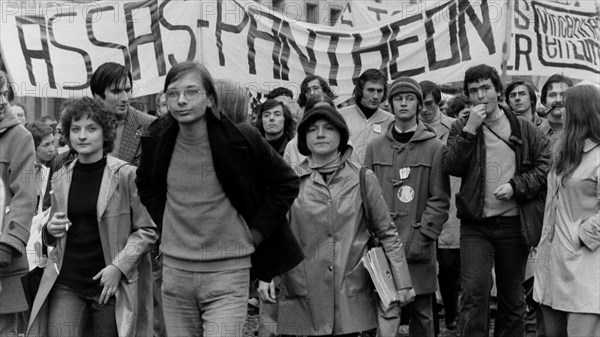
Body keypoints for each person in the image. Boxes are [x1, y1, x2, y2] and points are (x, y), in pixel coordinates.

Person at [135, 61, 303, 336]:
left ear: (210, 98)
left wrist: (256, 232)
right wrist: (165, 221)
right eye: (173, 93)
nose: (181, 100)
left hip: (228, 271)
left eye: (191, 92)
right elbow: (144, 185)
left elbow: (286, 183)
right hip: (175, 272)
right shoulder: (157, 140)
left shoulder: (241, 137)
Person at [260, 105, 414, 336]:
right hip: (302, 291)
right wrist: (265, 276)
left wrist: (402, 282)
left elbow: (386, 232)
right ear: (303, 139)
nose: (320, 134)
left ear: (342, 135)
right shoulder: (289, 180)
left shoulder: (362, 178)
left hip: (351, 292)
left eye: (328, 128)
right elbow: (273, 233)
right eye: (312, 129)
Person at [26, 97, 158, 337]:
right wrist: (50, 230)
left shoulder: (126, 175)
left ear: (105, 133)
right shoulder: (61, 177)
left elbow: (147, 230)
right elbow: (50, 235)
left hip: (110, 283)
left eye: (91, 128)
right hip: (67, 282)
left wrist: (119, 267)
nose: (82, 136)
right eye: (75, 129)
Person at [442, 64, 550, 336]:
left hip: (514, 225)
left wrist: (516, 187)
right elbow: (451, 165)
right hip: (476, 225)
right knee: (474, 294)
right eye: (474, 91)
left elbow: (544, 168)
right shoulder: (460, 126)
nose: (480, 95)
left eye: (486, 88)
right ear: (468, 96)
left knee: (512, 299)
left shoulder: (524, 129)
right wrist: (469, 130)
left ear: (498, 91)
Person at [365, 77, 450, 336]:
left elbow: (440, 198)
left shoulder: (435, 147)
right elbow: (365, 195)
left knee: (422, 310)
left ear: (418, 104)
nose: (404, 103)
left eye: (410, 98)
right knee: (382, 307)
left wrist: (424, 235)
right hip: (381, 243)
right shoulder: (374, 147)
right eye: (398, 98)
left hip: (418, 243)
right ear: (390, 104)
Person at [533, 84, 600, 337]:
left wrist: (580, 235)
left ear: (580, 112)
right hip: (554, 263)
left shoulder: (598, 157)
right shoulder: (564, 151)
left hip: (587, 268)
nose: (561, 112)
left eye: (566, 107)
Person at [418, 80, 460, 331]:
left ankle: (452, 313)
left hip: (450, 198)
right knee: (424, 263)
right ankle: (431, 315)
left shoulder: (453, 127)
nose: (424, 109)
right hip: (421, 198)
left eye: (429, 104)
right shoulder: (408, 128)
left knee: (448, 262)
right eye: (420, 104)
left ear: (438, 102)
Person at [0, 70, 36, 337]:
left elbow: (25, 196)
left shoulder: (20, 138)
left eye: (3, 94)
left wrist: (9, 243)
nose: (2, 101)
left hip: (3, 265)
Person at [90, 62, 156, 166]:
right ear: (97, 96)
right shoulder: (84, 125)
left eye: (128, 90)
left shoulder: (151, 125)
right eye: (116, 92)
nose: (125, 98)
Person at [338, 69, 394, 163]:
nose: (375, 96)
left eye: (379, 91)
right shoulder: (340, 116)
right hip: (345, 176)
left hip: (376, 176)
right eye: (371, 90)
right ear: (360, 91)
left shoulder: (391, 121)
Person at [283, 94, 337, 172]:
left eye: (327, 112)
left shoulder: (344, 143)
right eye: (317, 112)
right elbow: (287, 179)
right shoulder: (293, 146)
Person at [538, 74, 573, 146]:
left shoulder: (582, 133)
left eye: (563, 95)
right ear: (544, 101)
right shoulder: (533, 133)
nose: (558, 100)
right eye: (552, 95)